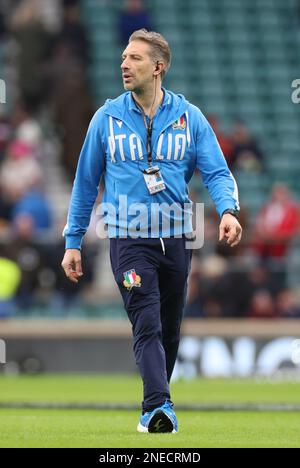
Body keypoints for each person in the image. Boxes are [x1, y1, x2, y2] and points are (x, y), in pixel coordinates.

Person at [61, 29, 242, 433]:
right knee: (146, 320)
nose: (124, 64)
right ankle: (159, 407)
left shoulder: (188, 117)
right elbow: (85, 183)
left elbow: (215, 170)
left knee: (170, 328)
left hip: (178, 239)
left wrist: (228, 210)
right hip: (127, 239)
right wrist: (72, 241)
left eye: (135, 58)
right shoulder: (106, 118)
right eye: (124, 57)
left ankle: (153, 408)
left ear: (158, 68)